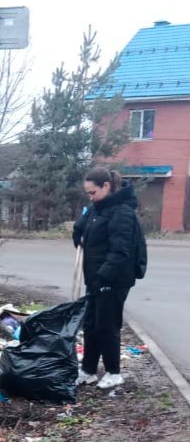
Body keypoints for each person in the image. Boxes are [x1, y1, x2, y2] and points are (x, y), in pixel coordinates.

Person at [73, 166, 139, 390]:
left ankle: (114, 372)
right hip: (95, 278)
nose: (90, 197)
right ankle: (88, 370)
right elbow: (85, 231)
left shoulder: (122, 212)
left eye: (93, 192)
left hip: (114, 279)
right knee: (91, 324)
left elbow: (120, 252)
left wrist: (103, 277)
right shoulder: (98, 208)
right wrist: (78, 230)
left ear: (106, 186)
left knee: (107, 326)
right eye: (88, 193)